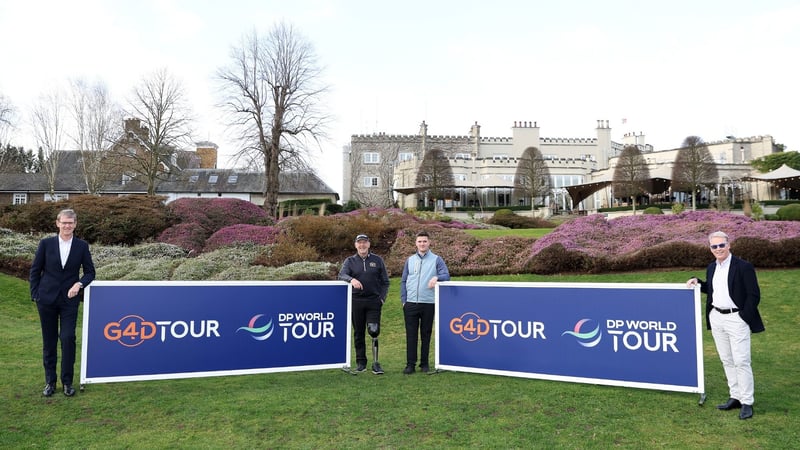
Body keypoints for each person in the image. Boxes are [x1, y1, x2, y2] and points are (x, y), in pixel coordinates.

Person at [687, 231, 764, 420]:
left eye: (722, 245)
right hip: (717, 317)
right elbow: (713, 288)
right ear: (710, 249)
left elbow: (754, 295)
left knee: (741, 360)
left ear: (729, 245)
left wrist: (743, 316)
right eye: (714, 246)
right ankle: (735, 396)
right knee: (727, 360)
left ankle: (747, 401)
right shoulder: (712, 267)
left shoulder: (743, 267)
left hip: (736, 318)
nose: (718, 249)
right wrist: (698, 282)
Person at [30, 209, 96, 397]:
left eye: (71, 223)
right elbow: (35, 270)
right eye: (64, 222)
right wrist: (35, 295)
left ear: (75, 224)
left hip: (69, 300)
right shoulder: (46, 244)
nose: (67, 226)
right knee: (49, 342)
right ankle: (50, 382)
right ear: (57, 223)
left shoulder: (81, 246)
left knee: (67, 338)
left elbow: (90, 272)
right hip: (46, 300)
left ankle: (67, 382)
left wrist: (79, 284)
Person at [338, 234, 390, 374]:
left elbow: (385, 282)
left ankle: (376, 363)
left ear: (369, 244)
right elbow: (341, 275)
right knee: (358, 333)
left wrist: (382, 298)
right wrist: (351, 280)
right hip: (356, 302)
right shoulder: (350, 261)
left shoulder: (377, 260)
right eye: (359, 243)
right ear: (356, 245)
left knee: (374, 331)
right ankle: (361, 363)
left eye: (364, 243)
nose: (362, 245)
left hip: (374, 301)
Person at [400, 231, 450, 374]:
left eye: (425, 241)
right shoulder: (410, 260)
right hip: (410, 303)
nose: (422, 244)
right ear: (416, 243)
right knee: (411, 335)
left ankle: (424, 364)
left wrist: (437, 278)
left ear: (429, 243)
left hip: (429, 303)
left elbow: (446, 275)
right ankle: (410, 364)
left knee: (426, 334)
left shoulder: (437, 259)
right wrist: (404, 300)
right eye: (420, 241)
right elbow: (403, 280)